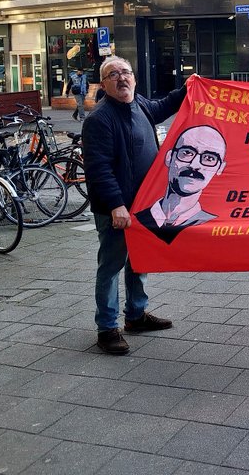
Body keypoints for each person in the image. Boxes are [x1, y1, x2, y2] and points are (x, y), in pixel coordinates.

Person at [82, 56, 187, 355]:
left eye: (125, 72)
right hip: (117, 209)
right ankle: (106, 328)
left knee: (138, 261)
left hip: (141, 206)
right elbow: (98, 168)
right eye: (113, 75)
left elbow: (164, 106)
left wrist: (189, 88)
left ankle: (136, 315)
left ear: (134, 78)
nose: (121, 78)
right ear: (103, 85)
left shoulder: (138, 104)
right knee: (111, 267)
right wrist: (116, 205)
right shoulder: (99, 119)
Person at [135, 125, 226, 244]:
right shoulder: (137, 219)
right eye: (187, 152)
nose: (194, 165)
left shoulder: (215, 228)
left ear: (220, 168)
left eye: (209, 158)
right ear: (169, 157)